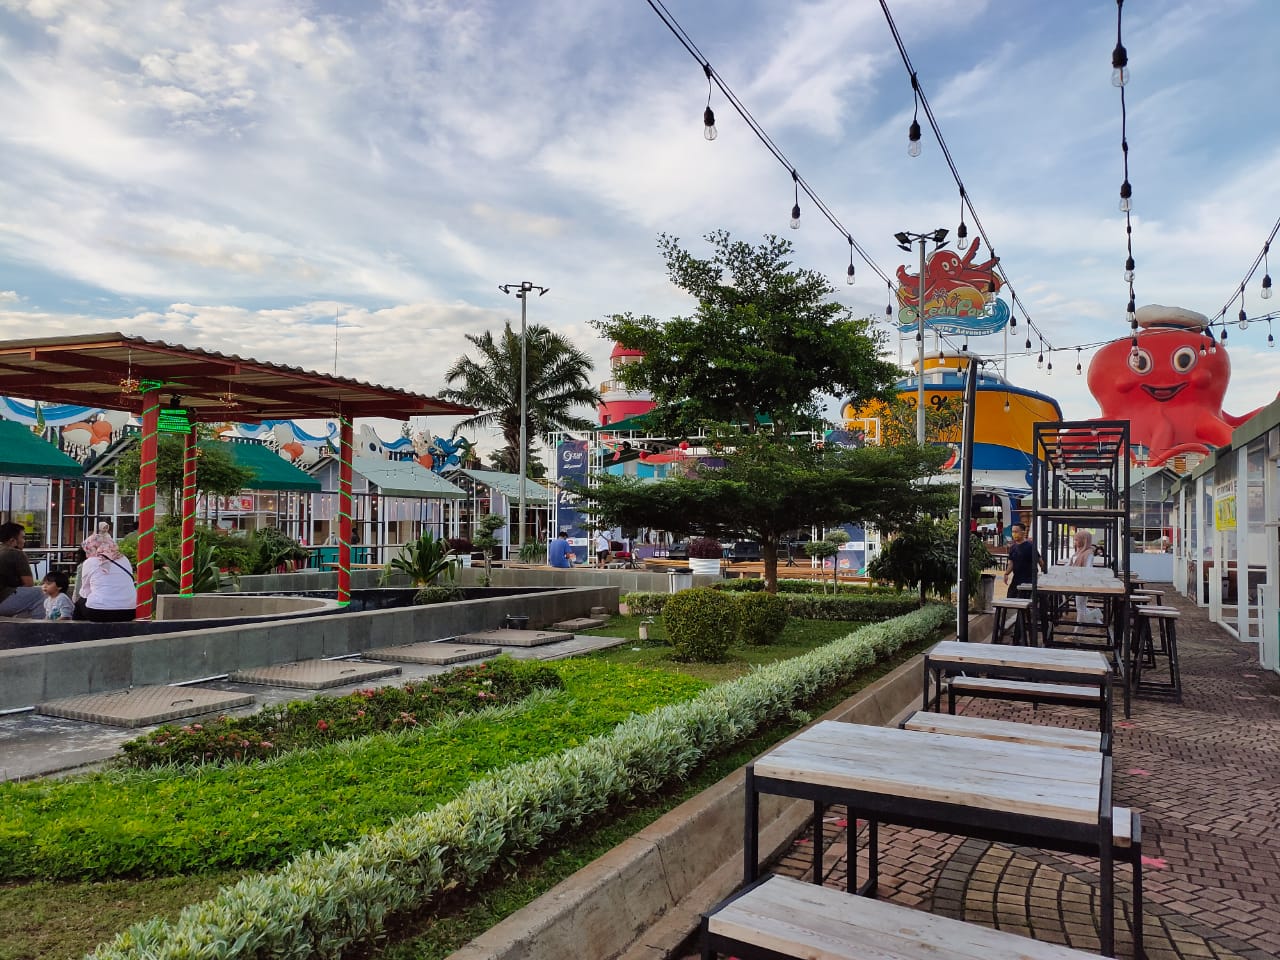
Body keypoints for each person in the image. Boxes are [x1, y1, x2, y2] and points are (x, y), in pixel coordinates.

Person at [76, 529, 137, 622]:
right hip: (130, 611)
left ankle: (76, 633)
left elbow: (85, 591)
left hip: (98, 612)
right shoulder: (124, 559)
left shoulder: (90, 562)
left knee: (80, 603)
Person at [0, 521, 45, 618]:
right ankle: (40, 629)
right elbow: (29, 584)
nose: (24, 541)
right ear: (12, 541)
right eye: (23, 538)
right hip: (2, 600)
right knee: (40, 594)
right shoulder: (16, 553)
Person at [1071, 529, 1104, 625]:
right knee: (1081, 606)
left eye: (1077, 540)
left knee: (1080, 607)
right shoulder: (1079, 552)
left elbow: (1088, 568)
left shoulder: (1088, 553)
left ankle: (1078, 629)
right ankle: (1097, 623)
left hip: (1083, 582)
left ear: (1083, 540)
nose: (1075, 542)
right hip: (1076, 581)